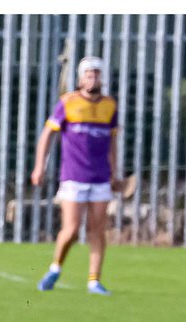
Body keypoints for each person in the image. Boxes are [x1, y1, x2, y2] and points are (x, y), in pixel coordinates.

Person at [31, 55, 123, 296]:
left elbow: (112, 141)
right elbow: (47, 135)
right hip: (73, 176)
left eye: (96, 74)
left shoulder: (109, 105)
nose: (92, 78)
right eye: (88, 74)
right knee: (71, 229)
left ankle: (94, 280)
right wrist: (39, 166)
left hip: (101, 177)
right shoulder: (68, 102)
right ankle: (55, 268)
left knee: (97, 230)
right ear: (81, 78)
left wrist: (115, 171)